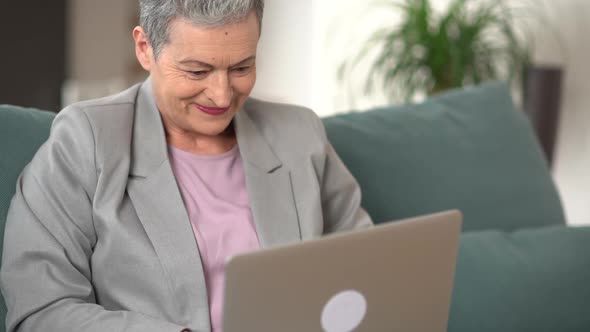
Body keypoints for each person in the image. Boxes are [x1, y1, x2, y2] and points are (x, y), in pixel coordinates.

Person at [0, 0, 373, 331]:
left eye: (242, 67)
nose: (222, 94)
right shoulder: (86, 141)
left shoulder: (299, 134)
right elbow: (41, 309)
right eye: (197, 71)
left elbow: (368, 267)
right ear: (145, 48)